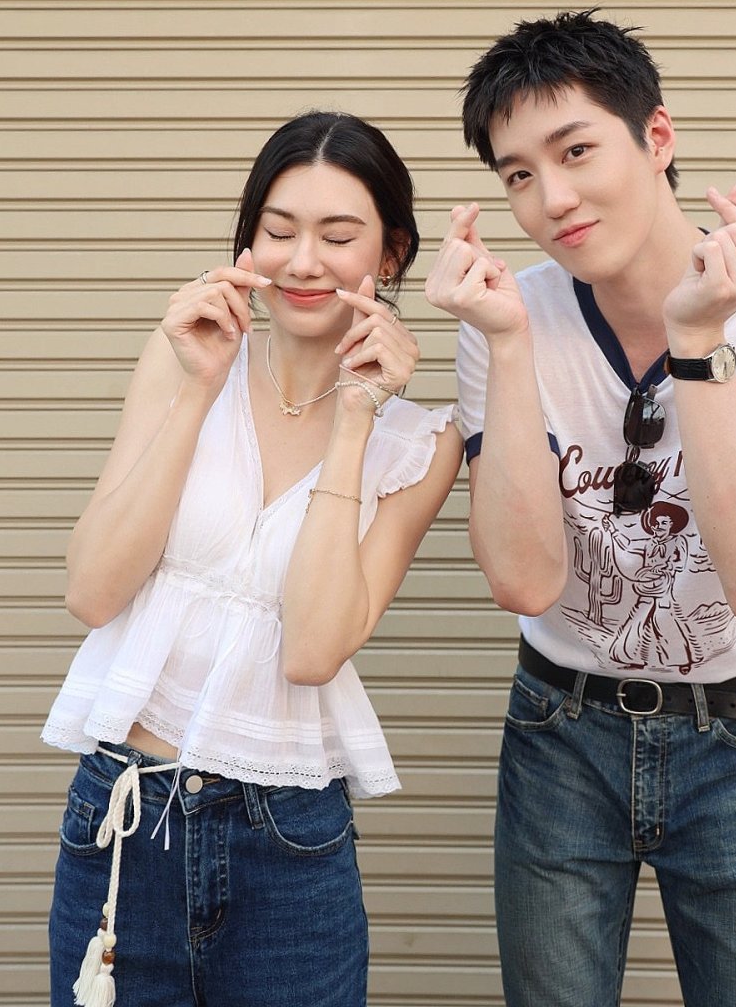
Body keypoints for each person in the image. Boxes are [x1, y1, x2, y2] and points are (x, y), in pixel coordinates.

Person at [425, 10, 736, 1007]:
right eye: (517, 175)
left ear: (657, 137)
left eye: (576, 150)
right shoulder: (507, 315)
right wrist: (507, 345)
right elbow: (523, 580)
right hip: (559, 733)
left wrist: (697, 345)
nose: (552, 199)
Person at [43, 110, 462, 1007]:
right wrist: (200, 388)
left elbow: (313, 650)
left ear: (390, 255)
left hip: (288, 845)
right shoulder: (183, 358)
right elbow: (93, 590)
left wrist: (354, 421)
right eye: (279, 231)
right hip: (125, 813)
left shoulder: (421, 445)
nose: (303, 262)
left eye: (338, 237)